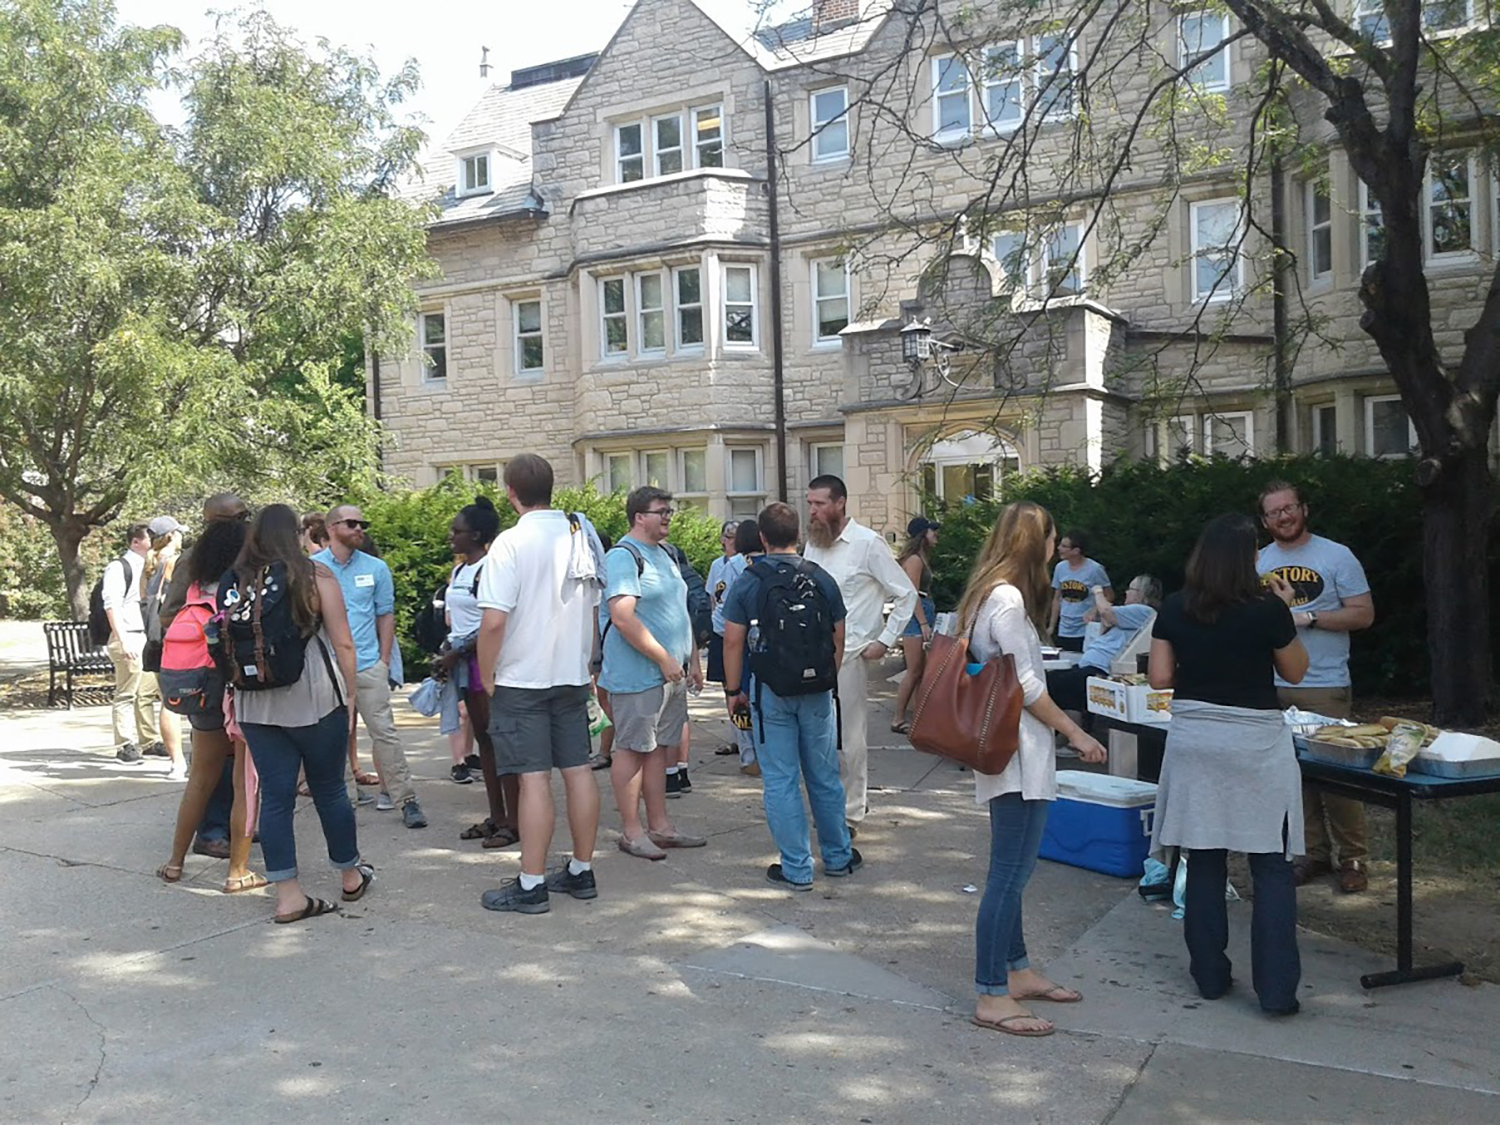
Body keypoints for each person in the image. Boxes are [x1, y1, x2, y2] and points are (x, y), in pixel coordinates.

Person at [1149, 513, 1310, 1015]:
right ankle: (1278, 991)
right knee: (1271, 866)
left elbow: (1158, 678)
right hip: (1256, 743)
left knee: (1204, 860)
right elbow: (1297, 672)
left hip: (1196, 739)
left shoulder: (1175, 606)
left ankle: (1211, 977)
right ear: (1248, 559)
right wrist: (1283, 612)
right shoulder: (1267, 609)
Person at [956, 501, 1106, 1038]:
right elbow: (1029, 688)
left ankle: (1015, 971)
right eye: (1051, 538)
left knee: (1011, 873)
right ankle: (992, 993)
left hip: (1006, 750)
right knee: (1009, 875)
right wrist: (1076, 731)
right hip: (1016, 751)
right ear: (1034, 544)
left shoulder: (985, 594)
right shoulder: (1009, 599)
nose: (1054, 547)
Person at [230, 504, 372, 923]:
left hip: (255, 702)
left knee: (275, 795)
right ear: (295, 534)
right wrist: (350, 698)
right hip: (313, 699)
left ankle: (288, 894)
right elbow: (344, 643)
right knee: (329, 789)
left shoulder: (238, 580)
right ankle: (350, 875)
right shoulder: (315, 576)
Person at [474, 454, 603, 913]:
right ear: (553, 488)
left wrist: (486, 673)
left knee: (533, 781)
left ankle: (531, 884)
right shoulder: (578, 535)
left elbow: (492, 623)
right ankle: (581, 871)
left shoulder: (509, 544)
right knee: (578, 770)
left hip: (522, 678)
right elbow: (592, 606)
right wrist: (588, 661)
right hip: (570, 672)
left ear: (510, 492)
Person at [722, 502, 857, 889]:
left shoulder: (749, 580)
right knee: (824, 775)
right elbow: (838, 635)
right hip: (817, 690)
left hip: (771, 690)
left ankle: (797, 867)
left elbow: (733, 641)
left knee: (780, 779)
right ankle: (838, 856)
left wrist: (734, 691)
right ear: (797, 534)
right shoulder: (821, 577)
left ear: (761, 538)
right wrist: (825, 675)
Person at [1255, 480, 1375, 893]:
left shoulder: (1336, 555)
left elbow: (1363, 615)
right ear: (1265, 520)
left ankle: (1353, 857)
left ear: (1303, 509)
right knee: (1293, 776)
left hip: (1324, 683)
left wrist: (1309, 619)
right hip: (1270, 684)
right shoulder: (1258, 561)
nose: (1284, 517)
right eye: (1274, 512)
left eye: (1289, 508)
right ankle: (1312, 854)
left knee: (1337, 775)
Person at [154, 514, 264, 893]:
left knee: (200, 779)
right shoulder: (241, 586)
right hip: (235, 690)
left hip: (198, 689)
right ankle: (238, 871)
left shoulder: (196, 586)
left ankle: (174, 862)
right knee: (244, 781)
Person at [802, 475, 916, 836]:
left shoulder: (868, 544)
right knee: (818, 739)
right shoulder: (814, 544)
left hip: (850, 655)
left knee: (850, 740)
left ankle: (850, 814)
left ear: (840, 503)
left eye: (819, 504)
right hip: (813, 654)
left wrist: (884, 639)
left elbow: (905, 594)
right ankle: (826, 805)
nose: (813, 511)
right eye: (809, 504)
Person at [600, 486, 706, 861]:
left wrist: (692, 660)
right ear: (638, 516)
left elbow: (680, 612)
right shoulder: (623, 557)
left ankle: (660, 827)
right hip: (638, 676)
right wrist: (664, 658)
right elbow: (622, 617)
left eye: (669, 511)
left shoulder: (666, 554)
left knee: (660, 748)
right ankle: (632, 831)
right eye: (660, 511)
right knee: (631, 750)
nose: (667, 517)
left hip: (670, 675)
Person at [314, 506, 427, 829]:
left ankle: (406, 799)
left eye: (363, 523)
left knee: (385, 733)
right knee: (331, 736)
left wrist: (384, 660)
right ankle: (342, 800)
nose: (360, 528)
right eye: (352, 523)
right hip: (328, 668)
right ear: (332, 527)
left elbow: (385, 614)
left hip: (366, 664)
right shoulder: (313, 568)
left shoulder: (376, 568)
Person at [440, 496, 520, 848]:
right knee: (484, 743)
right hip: (462, 663)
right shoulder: (459, 571)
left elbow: (495, 621)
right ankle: (496, 815)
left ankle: (514, 821)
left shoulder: (491, 568)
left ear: (475, 535)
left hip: (486, 663)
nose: (450, 537)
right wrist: (447, 648)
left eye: (456, 531)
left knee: (501, 741)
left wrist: (459, 651)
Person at [1045, 575, 1163, 713]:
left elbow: (1106, 612)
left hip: (1099, 671)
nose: (1126, 592)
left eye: (1131, 589)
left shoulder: (1143, 611)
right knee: (1060, 691)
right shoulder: (1130, 614)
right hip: (1090, 667)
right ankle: (1070, 732)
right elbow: (1106, 618)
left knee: (1047, 683)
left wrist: (1097, 591)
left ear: (1141, 594)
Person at [103, 523, 157, 763]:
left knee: (145, 691)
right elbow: (111, 604)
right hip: (128, 635)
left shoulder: (148, 567)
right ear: (136, 542)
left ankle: (149, 740)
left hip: (143, 635)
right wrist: (122, 639)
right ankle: (124, 744)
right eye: (149, 538)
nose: (153, 542)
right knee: (126, 692)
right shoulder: (118, 567)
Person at [142, 516, 188, 777]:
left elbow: (143, 604)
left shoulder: (147, 565)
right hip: (174, 638)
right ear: (171, 536)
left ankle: (176, 761)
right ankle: (181, 761)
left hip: (153, 640)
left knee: (166, 700)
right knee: (178, 700)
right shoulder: (173, 562)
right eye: (178, 533)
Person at [891, 516, 940, 735]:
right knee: (913, 670)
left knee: (920, 671)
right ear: (923, 534)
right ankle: (898, 718)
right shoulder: (914, 560)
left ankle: (920, 716)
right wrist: (923, 623)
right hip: (916, 616)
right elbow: (912, 595)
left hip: (923, 612)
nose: (935, 535)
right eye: (932, 531)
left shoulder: (920, 558)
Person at [723, 518, 762, 774]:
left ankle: (749, 756)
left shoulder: (734, 567)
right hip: (771, 644)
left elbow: (722, 605)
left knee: (743, 700)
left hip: (742, 638)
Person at [1049, 530, 1112, 653]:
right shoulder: (1060, 568)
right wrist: (1052, 626)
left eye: (1064, 546)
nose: (1059, 548)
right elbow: (1057, 599)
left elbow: (1109, 595)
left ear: (1076, 551)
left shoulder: (1095, 569)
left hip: (1086, 628)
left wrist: (1093, 610)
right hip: (1065, 629)